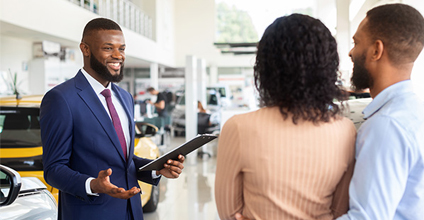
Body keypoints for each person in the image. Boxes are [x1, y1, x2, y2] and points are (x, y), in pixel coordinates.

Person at [40, 18, 185, 220]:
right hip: (90, 213)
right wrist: (93, 184)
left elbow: (123, 160)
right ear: (85, 49)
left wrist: (157, 169)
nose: (118, 56)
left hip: (132, 211)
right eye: (108, 48)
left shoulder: (124, 97)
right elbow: (54, 169)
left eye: (122, 49)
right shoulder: (61, 99)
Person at [215, 14, 356, 220]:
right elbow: (340, 210)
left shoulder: (238, 127)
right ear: (327, 68)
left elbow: (229, 213)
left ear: (266, 67)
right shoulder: (346, 130)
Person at [336, 4, 424, 220]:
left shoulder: (386, 125)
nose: (350, 52)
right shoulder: (414, 112)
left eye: (356, 43)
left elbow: (367, 217)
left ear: (376, 50)